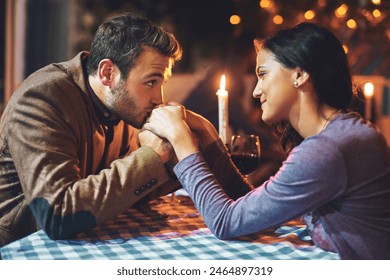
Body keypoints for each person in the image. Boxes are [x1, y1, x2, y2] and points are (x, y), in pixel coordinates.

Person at [142, 22, 390, 259]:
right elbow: (255, 210)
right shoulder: (342, 134)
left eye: (263, 75)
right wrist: (208, 135)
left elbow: (225, 221)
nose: (256, 91)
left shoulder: (329, 149)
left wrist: (181, 142)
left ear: (300, 74)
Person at [0, 13, 183, 247]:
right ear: (108, 73)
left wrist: (182, 154)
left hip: (80, 243)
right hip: (19, 250)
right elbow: (59, 214)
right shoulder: (42, 99)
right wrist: (152, 156)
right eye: (151, 82)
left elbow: (123, 194)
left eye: (162, 83)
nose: (159, 99)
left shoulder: (121, 106)